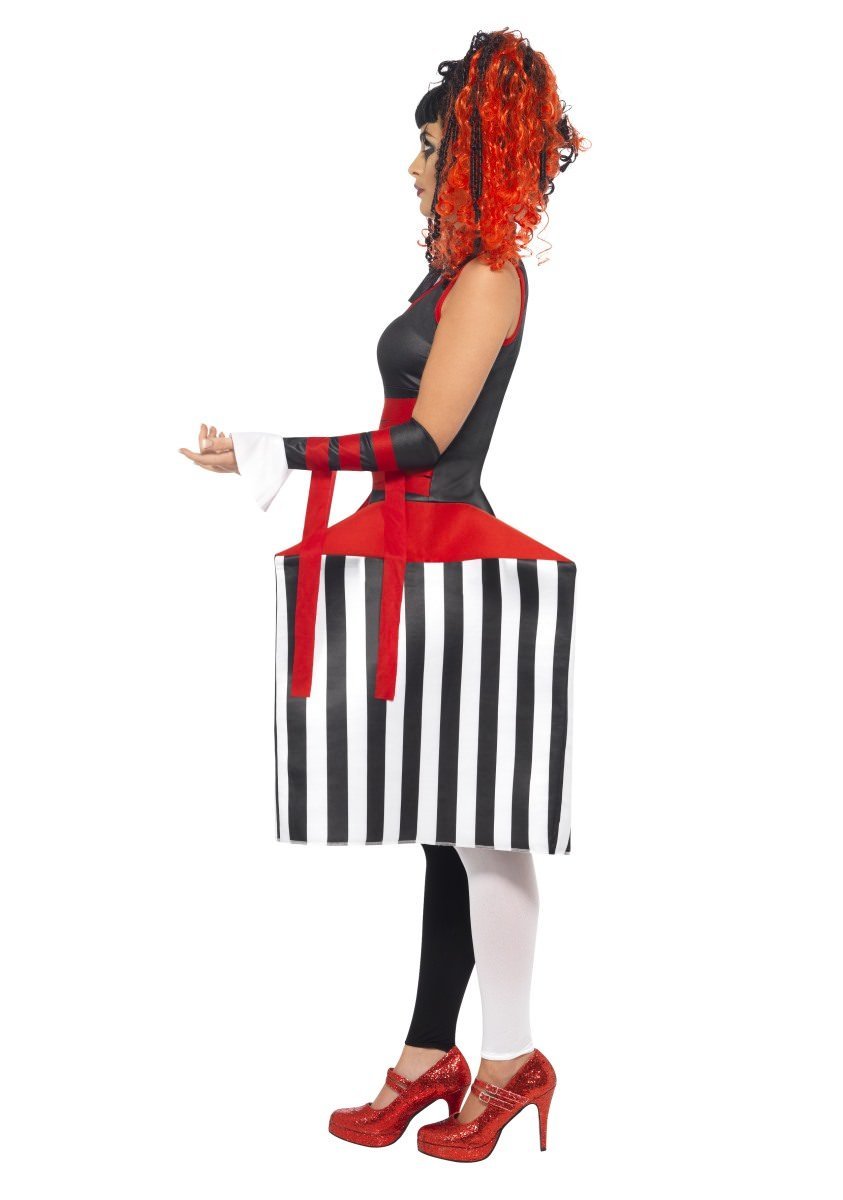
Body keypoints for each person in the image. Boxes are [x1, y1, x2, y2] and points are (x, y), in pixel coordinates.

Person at [179, 28, 587, 1162]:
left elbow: (425, 442)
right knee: (445, 824)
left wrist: (278, 451)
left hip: (457, 558)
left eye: (429, 147)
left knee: (484, 823)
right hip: (424, 557)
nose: (412, 167)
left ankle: (508, 1060)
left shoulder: (490, 276)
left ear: (472, 155)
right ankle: (427, 1057)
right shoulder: (448, 276)